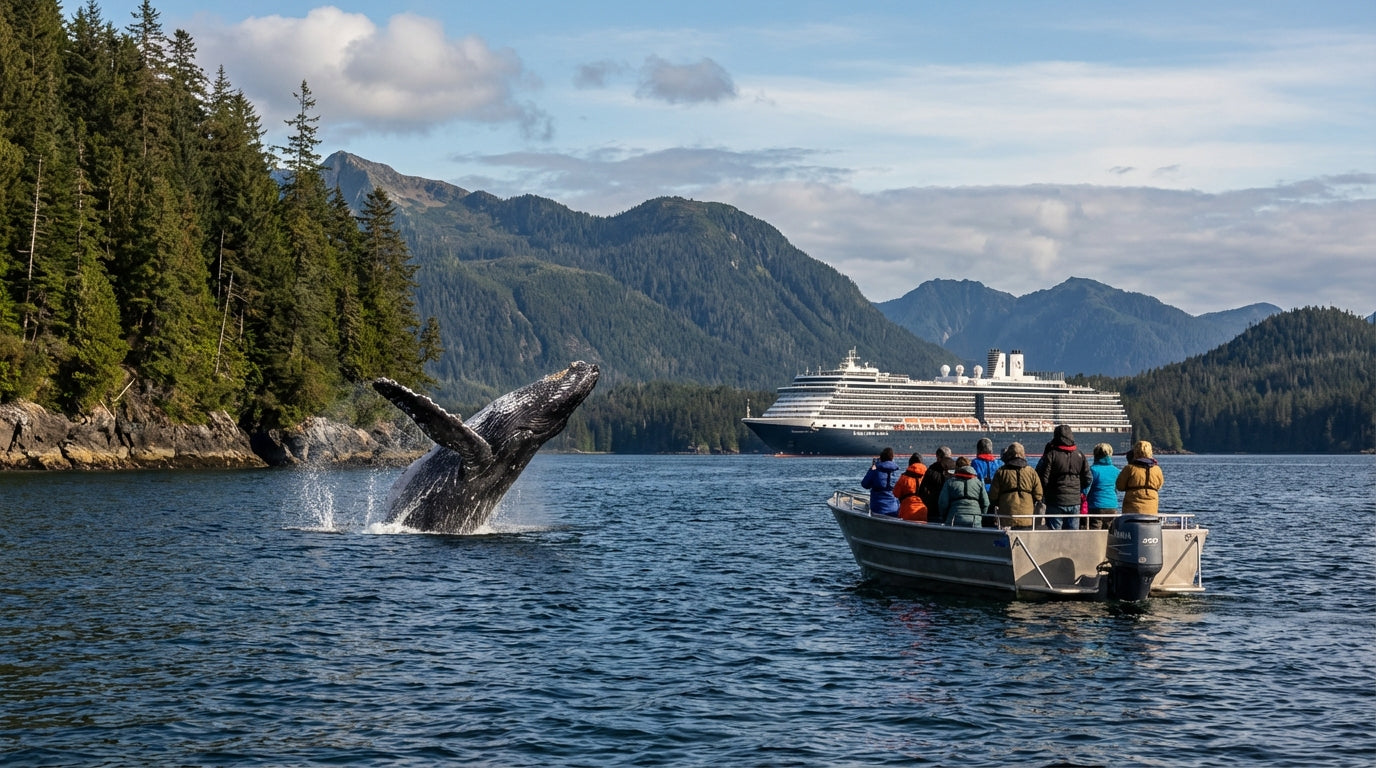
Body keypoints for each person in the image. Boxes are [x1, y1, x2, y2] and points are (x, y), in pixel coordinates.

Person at [1035, 424, 1091, 530]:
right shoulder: (1080, 455)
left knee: (1055, 535)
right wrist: (1077, 490)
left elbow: (1042, 477)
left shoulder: (1051, 455)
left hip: (1055, 501)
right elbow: (1088, 478)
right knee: (1072, 535)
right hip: (1075, 501)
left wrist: (1049, 492)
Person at [988, 442, 1043, 529]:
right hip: (1027, 516)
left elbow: (993, 495)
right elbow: (1038, 495)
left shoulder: (1001, 472)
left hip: (1007, 516)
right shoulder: (1031, 472)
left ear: (1008, 455)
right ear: (1023, 454)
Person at [937, 457, 989, 527]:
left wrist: (944, 516)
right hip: (975, 519)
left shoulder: (950, 482)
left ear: (957, 467)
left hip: (954, 518)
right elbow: (986, 503)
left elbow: (942, 503)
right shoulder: (978, 483)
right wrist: (980, 515)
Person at [1116, 440, 1165, 514]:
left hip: (1132, 508)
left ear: (1135, 452)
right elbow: (1159, 486)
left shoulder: (1129, 468)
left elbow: (1120, 486)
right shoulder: (1157, 469)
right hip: (1151, 508)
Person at [1085, 442, 1121, 529]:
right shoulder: (1116, 471)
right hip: (1112, 505)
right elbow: (1118, 488)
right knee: (1110, 532)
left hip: (1096, 505)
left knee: (1095, 532)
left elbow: (1086, 489)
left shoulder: (1092, 470)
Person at [861, 447, 901, 516]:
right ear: (892, 458)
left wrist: (872, 468)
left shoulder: (875, 470)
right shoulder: (897, 471)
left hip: (878, 509)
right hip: (894, 509)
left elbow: (864, 484)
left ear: (881, 457)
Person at [917, 446, 956, 516]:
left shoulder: (932, 469)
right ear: (950, 455)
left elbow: (922, 491)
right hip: (953, 509)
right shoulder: (958, 468)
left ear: (938, 457)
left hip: (934, 509)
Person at [893, 452, 929, 522]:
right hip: (923, 510)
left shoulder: (904, 477)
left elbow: (895, 493)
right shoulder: (927, 476)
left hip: (907, 510)